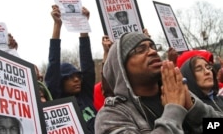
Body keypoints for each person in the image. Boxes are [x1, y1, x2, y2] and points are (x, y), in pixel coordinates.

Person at [95, 31, 223, 134]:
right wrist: (174, 110)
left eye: (152, 47)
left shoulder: (175, 91)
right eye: (140, 49)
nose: (152, 51)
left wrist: (194, 109)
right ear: (121, 67)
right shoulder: (111, 115)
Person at [44, 5, 96, 134]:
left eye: (78, 76)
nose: (77, 80)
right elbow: (54, 63)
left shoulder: (85, 95)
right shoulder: (58, 100)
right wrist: (57, 25)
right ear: (61, 81)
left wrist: (83, 27)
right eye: (71, 77)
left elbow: (87, 64)